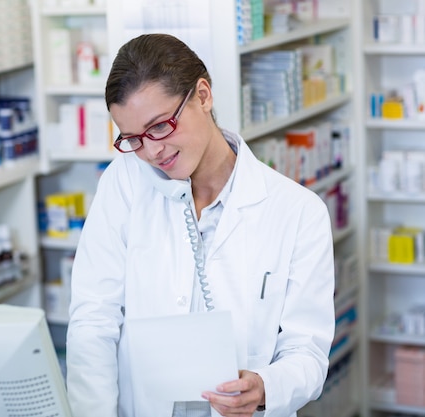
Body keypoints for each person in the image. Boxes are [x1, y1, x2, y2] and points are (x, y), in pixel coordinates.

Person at [66, 33, 335, 417]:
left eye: (159, 126)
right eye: (133, 139)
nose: (152, 151)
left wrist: (265, 387)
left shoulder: (298, 212)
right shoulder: (124, 182)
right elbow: (94, 319)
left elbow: (307, 352)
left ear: (203, 96)